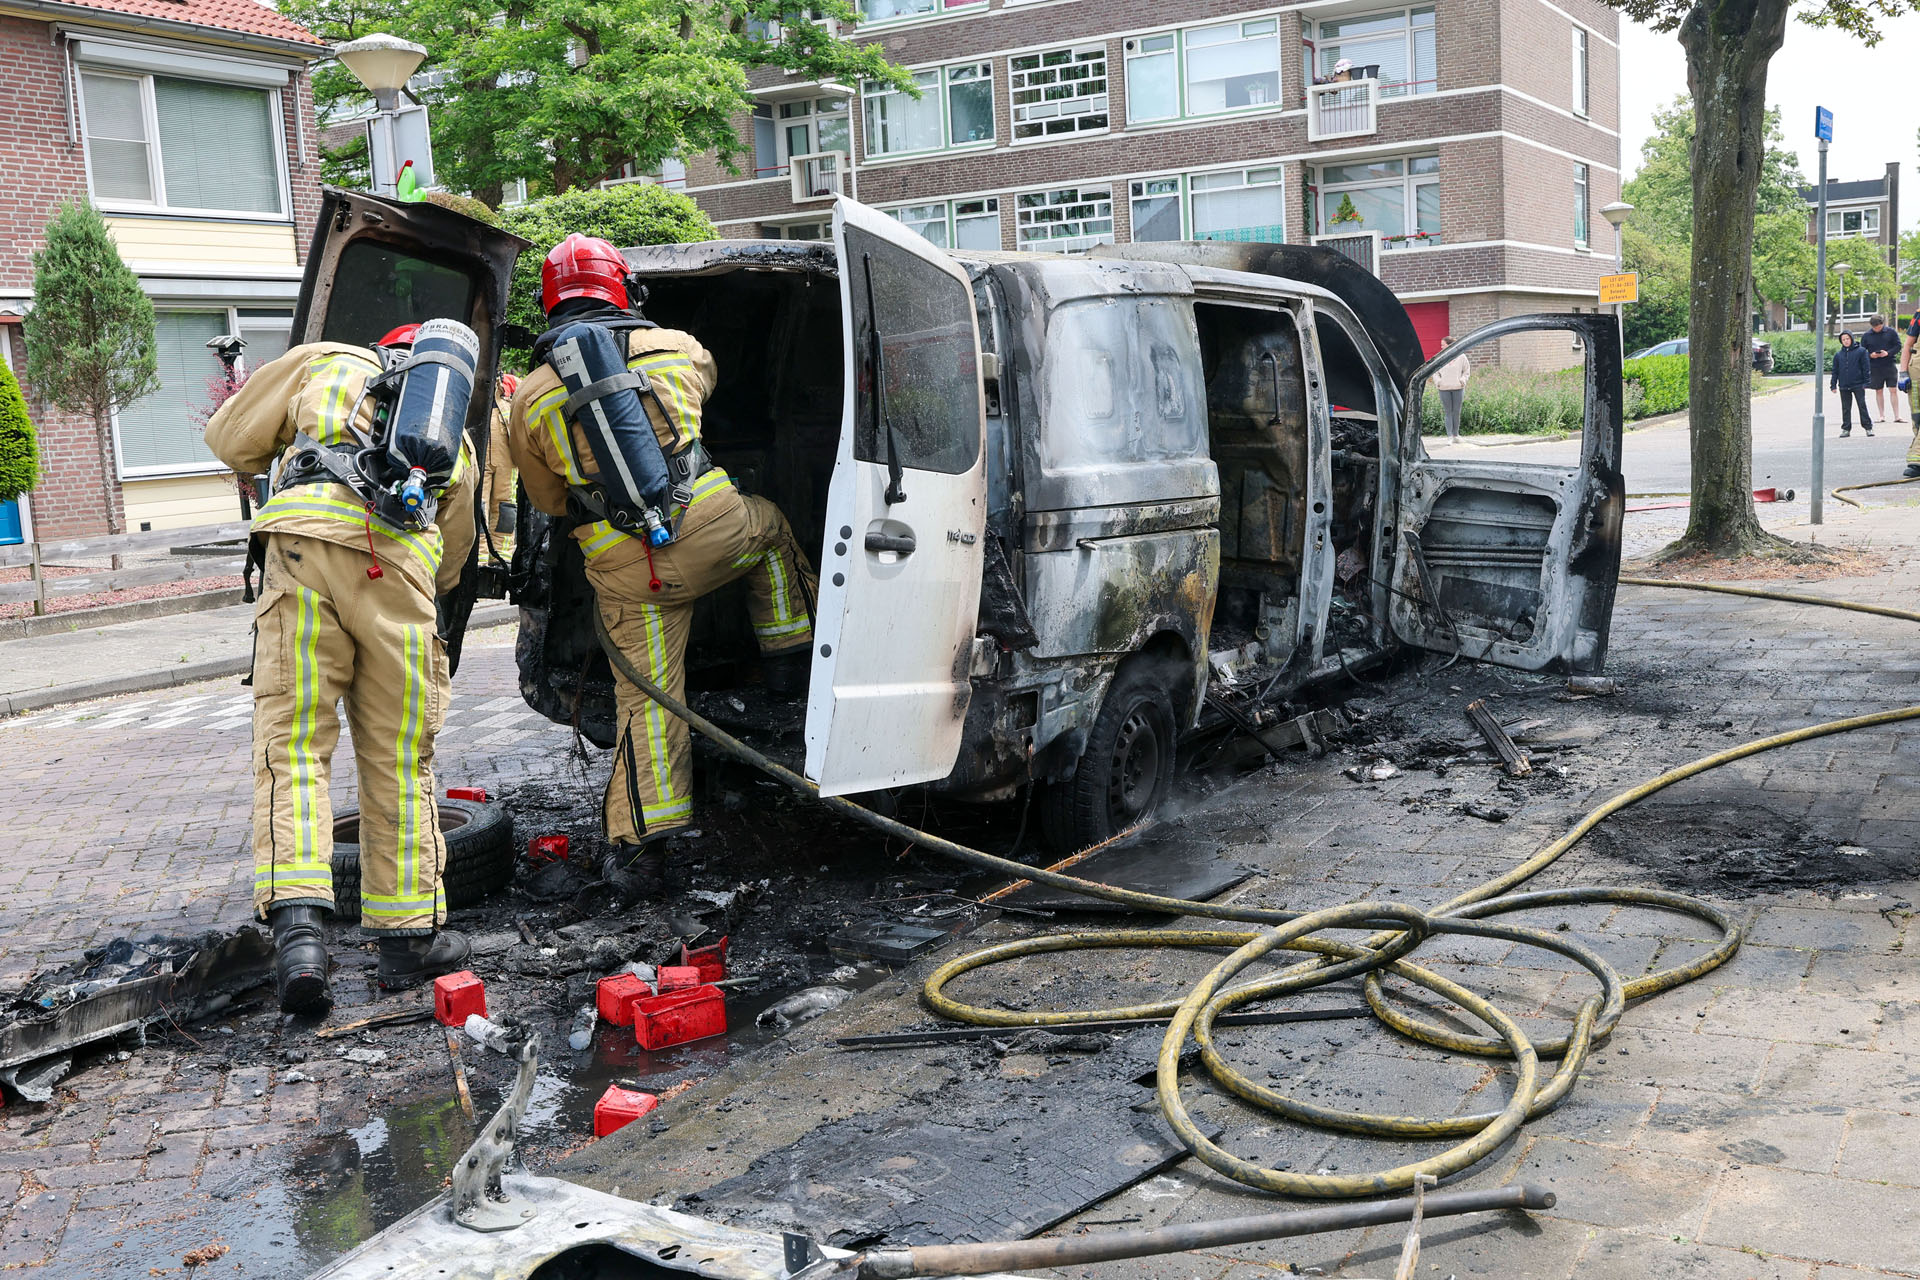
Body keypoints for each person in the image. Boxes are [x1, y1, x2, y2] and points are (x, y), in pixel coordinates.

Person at [508, 234, 817, 902]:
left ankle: (644, 854)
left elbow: (546, 501)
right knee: (770, 526)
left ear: (549, 304)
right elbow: (706, 395)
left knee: (648, 705)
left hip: (626, 573)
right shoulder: (678, 347)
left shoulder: (528, 398)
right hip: (714, 530)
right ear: (624, 290)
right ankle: (789, 661)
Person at [206, 324, 478, 1015]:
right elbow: (455, 554)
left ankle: (301, 940)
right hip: (401, 569)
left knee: (295, 748)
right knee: (397, 757)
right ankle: (406, 942)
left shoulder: (322, 363)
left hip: (301, 549)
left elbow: (229, 440)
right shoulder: (455, 439)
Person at [482, 373, 519, 561]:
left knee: (506, 510)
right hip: (482, 460)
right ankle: (479, 559)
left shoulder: (512, 383)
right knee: (479, 508)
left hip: (508, 461)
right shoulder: (479, 385)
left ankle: (502, 560)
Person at [1830, 328, 1873, 438]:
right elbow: (1835, 371)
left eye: (1847, 339)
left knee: (1862, 405)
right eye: (1843, 339)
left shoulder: (1861, 351)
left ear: (1852, 339)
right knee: (1845, 408)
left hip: (1858, 384)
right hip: (1844, 386)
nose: (1846, 341)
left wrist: (1866, 382)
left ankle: (1868, 427)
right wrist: (1833, 384)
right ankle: (1846, 428)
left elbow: (1866, 367)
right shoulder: (1838, 355)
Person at [1860, 313, 1901, 425]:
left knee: (1893, 389)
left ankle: (1897, 416)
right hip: (1875, 366)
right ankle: (1881, 415)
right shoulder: (1866, 335)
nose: (1876, 329)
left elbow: (1898, 346)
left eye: (1878, 327)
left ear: (1882, 324)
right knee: (1879, 390)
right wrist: (1870, 355)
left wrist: (1888, 353)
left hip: (1889, 364)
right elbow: (1862, 351)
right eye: (1874, 327)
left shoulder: (1891, 332)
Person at [1433, 341, 1472, 444]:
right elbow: (1435, 372)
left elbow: (1466, 370)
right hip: (1444, 388)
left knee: (1456, 412)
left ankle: (1456, 435)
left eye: (1443, 344)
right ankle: (1449, 436)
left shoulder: (1461, 356)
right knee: (1448, 412)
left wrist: (1463, 380)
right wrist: (1438, 382)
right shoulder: (1440, 357)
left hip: (1458, 388)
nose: (1441, 346)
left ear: (1449, 344)